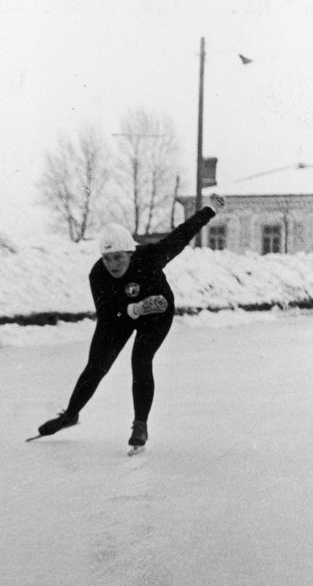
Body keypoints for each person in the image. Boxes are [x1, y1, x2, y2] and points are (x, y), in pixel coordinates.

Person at [35, 193, 226, 450]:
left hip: (157, 313)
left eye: (118, 258)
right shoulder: (98, 275)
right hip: (119, 315)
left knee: (141, 359)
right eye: (107, 258)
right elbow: (106, 315)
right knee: (96, 366)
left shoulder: (150, 257)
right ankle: (71, 414)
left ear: (130, 252)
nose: (112, 264)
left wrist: (209, 209)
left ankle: (140, 424)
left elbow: (183, 234)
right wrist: (132, 309)